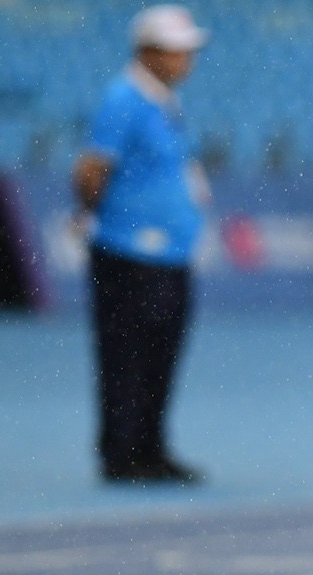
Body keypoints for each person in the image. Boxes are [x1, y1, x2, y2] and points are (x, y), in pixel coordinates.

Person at [73, 4, 210, 484]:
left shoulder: (164, 102)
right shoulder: (124, 98)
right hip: (129, 252)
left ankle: (150, 447)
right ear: (148, 51)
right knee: (125, 353)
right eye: (176, 51)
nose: (185, 61)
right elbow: (91, 169)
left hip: (170, 253)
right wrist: (95, 217)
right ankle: (121, 453)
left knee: (161, 352)